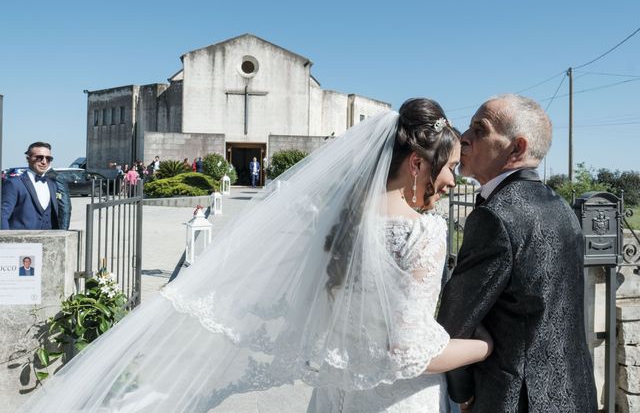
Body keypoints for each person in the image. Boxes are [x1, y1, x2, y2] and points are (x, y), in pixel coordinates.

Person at [18, 101, 491, 413]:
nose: (454, 181)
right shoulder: (423, 232)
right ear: (416, 164)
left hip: (333, 397)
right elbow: (409, 354)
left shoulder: (339, 224)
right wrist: (487, 346)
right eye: (449, 168)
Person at [437, 94, 597, 413]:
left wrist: (462, 393)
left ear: (516, 148)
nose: (463, 138)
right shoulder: (560, 207)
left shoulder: (496, 215)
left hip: (513, 399)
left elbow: (456, 320)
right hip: (574, 394)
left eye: (479, 130)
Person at [1, 142, 60, 230]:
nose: (44, 162)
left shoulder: (52, 184)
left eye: (48, 158)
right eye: (39, 157)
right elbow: (2, 216)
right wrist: (6, 240)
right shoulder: (14, 183)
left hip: (49, 239)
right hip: (22, 241)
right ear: (28, 159)